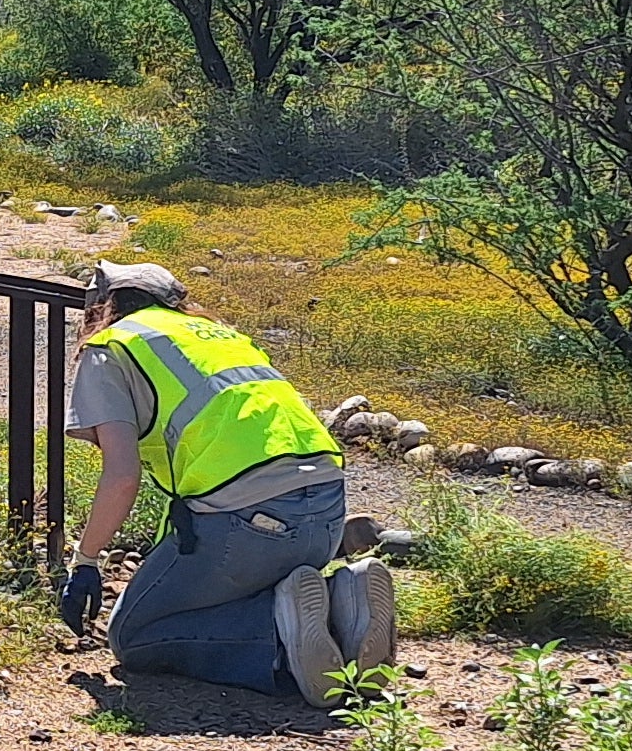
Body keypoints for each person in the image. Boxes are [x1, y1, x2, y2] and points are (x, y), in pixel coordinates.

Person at [54, 259, 396, 707]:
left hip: (247, 521)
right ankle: (340, 597)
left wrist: (86, 561)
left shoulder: (112, 346)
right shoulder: (219, 336)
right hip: (326, 513)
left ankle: (279, 638)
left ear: (101, 305)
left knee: (135, 635)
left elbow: (122, 475)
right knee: (228, 586)